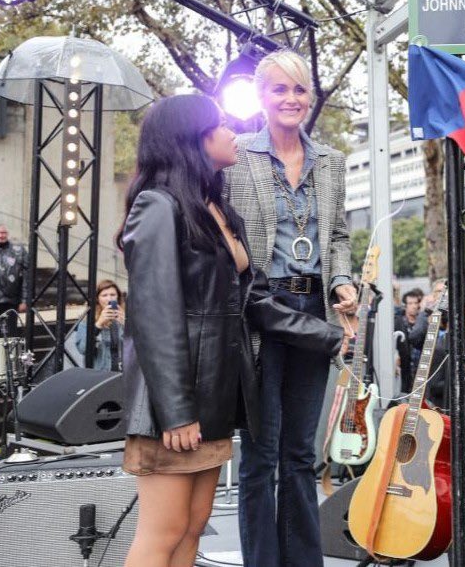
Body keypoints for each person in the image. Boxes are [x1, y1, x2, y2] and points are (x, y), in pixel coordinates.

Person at [120, 94, 341, 567]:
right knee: (163, 532)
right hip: (175, 403)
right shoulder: (157, 205)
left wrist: (330, 336)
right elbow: (153, 316)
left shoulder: (215, 209)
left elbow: (253, 301)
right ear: (192, 139)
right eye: (221, 125)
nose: (231, 133)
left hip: (218, 393)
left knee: (193, 528)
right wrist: (176, 412)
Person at [222, 49, 357, 567]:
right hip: (260, 309)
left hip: (313, 310)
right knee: (260, 455)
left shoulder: (331, 161)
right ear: (260, 96)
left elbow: (338, 234)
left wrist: (341, 281)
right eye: (280, 89)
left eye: (300, 89)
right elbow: (220, 227)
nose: (291, 99)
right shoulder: (237, 155)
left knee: (301, 454)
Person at [72, 280, 126, 371]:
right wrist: (98, 325)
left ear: (118, 297)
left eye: (113, 295)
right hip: (100, 373)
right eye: (104, 295)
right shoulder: (87, 319)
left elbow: (140, 347)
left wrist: (126, 325)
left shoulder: (127, 316)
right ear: (97, 298)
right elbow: (82, 349)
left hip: (125, 374)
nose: (109, 298)